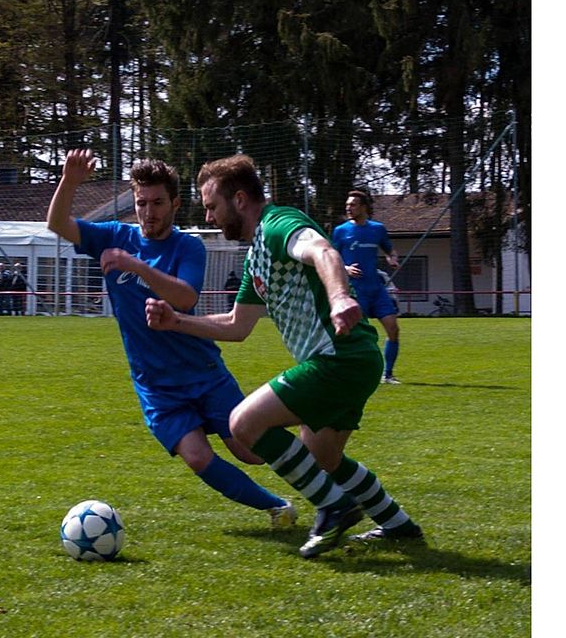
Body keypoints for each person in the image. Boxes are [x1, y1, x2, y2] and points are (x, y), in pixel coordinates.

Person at [145, 154, 423, 558]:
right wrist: (176, 322)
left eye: (211, 206)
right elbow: (237, 326)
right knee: (322, 458)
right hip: (352, 359)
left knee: (243, 423)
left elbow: (323, 250)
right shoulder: (257, 254)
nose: (208, 217)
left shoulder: (278, 225)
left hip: (338, 358)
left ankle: (334, 507)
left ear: (239, 200)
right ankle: (397, 525)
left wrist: (340, 295)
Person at [47, 148, 298, 529]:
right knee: (197, 456)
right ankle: (277, 507)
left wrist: (136, 265)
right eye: (141, 203)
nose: (149, 212)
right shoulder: (114, 236)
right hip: (156, 384)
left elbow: (185, 297)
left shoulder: (188, 246)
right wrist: (70, 181)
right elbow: (58, 224)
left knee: (250, 451)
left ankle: (319, 450)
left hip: (201, 370)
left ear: (175, 204)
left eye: (158, 202)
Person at [332, 191, 403, 384]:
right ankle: (346, 372)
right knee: (352, 336)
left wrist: (392, 259)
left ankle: (387, 375)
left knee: (393, 329)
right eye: (348, 204)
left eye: (353, 204)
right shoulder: (340, 231)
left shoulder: (377, 229)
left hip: (377, 290)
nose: (349, 208)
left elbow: (390, 250)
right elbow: (331, 257)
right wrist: (345, 268)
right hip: (355, 291)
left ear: (364, 207)